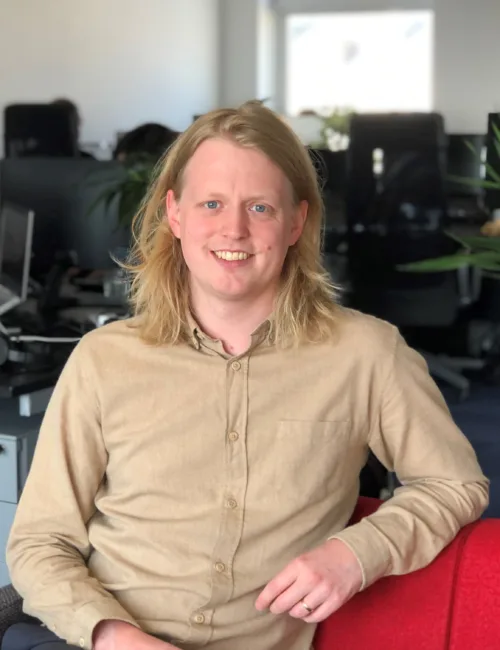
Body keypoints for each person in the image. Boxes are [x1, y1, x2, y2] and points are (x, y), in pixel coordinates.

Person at [5, 102, 488, 650]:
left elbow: (454, 484)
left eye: (259, 207)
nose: (234, 228)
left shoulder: (366, 353)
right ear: (176, 215)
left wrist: (356, 554)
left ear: (296, 222)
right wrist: (114, 636)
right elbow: (40, 543)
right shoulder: (102, 359)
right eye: (211, 203)